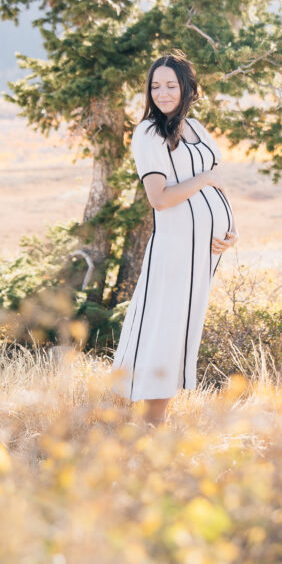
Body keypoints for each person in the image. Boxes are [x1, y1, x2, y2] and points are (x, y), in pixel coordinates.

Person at [111, 51, 238, 427]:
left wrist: (229, 231)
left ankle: (143, 421)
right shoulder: (148, 132)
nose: (162, 92)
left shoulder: (197, 127)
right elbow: (160, 198)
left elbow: (213, 187)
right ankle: (150, 423)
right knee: (163, 328)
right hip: (175, 249)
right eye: (155, 86)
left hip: (204, 253)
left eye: (170, 85)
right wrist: (206, 180)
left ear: (186, 88)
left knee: (182, 328)